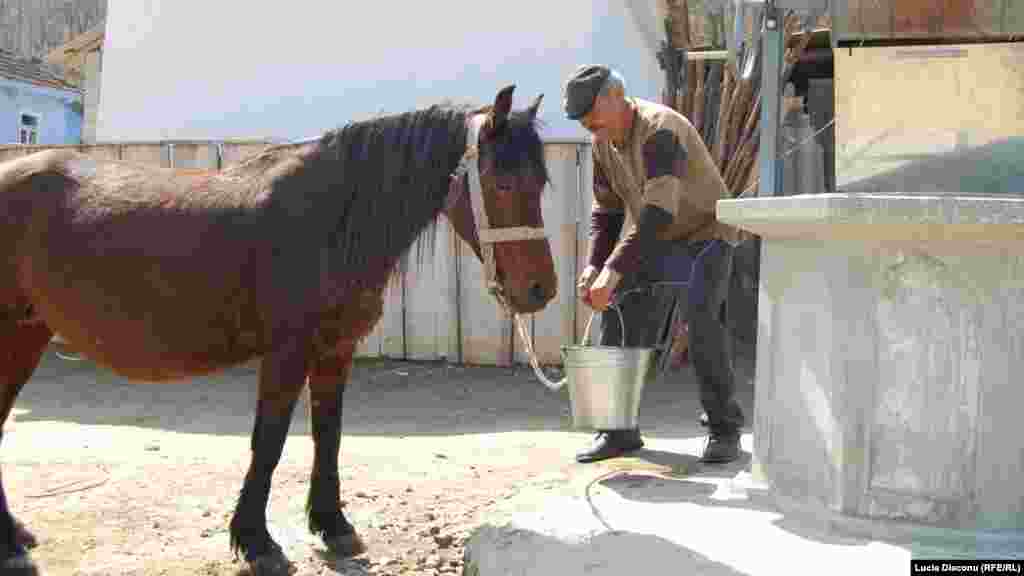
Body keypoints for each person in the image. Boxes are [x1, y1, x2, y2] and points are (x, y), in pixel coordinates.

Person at [562, 64, 746, 464]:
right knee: (616, 308)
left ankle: (724, 428)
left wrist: (613, 270)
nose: (587, 125)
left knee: (700, 319)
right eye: (582, 121)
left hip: (707, 233)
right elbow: (607, 213)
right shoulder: (601, 142)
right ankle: (617, 429)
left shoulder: (660, 128)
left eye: (591, 114)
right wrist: (595, 265)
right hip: (658, 239)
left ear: (615, 96)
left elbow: (658, 212)